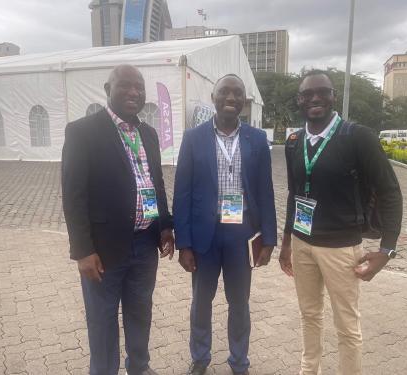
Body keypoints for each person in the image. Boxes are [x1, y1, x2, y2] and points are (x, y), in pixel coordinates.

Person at [279, 70, 403, 375]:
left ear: (333, 96)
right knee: (309, 315)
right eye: (308, 94)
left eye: (323, 92)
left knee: (346, 325)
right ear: (299, 100)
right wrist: (286, 243)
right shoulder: (294, 142)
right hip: (302, 243)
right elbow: (295, 195)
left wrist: (387, 250)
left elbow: (390, 191)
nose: (315, 98)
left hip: (340, 248)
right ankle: (309, 370)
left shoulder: (357, 137)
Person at [61, 64, 174, 375]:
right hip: (104, 250)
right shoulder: (82, 131)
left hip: (144, 245)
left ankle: (139, 368)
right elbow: (73, 195)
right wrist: (82, 250)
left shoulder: (148, 134)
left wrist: (165, 226)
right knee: (102, 320)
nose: (134, 92)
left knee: (140, 313)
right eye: (125, 85)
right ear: (107, 89)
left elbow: (155, 184)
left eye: (139, 87)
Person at [173, 74, 277, 375]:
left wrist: (268, 238)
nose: (231, 97)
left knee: (239, 302)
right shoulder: (193, 138)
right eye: (224, 92)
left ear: (245, 101)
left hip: (241, 235)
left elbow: (265, 191)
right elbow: (183, 192)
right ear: (213, 97)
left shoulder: (257, 139)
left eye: (237, 93)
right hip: (204, 235)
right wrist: (184, 243)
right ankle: (201, 358)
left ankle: (239, 361)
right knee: (201, 302)